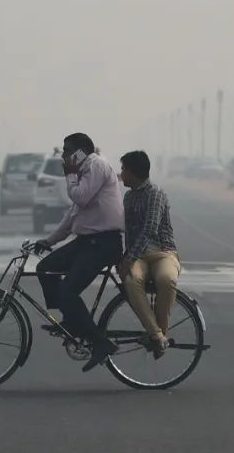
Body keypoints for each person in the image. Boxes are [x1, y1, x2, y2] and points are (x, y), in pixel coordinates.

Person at [34, 133, 124, 372]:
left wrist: (70, 174)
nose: (64, 156)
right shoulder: (84, 172)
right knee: (45, 268)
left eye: (67, 151)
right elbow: (72, 214)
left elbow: (80, 198)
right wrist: (48, 241)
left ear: (81, 152)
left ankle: (100, 343)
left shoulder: (96, 166)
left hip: (103, 243)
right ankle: (71, 321)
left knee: (68, 291)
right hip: (87, 242)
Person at [118, 150, 179, 358]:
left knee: (167, 280)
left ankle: (160, 333)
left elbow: (150, 229)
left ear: (133, 172)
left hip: (163, 252)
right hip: (140, 256)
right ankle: (157, 336)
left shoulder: (155, 193)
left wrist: (128, 258)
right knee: (132, 281)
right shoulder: (128, 196)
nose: (121, 174)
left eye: (124, 169)